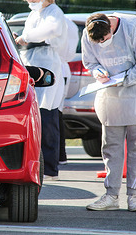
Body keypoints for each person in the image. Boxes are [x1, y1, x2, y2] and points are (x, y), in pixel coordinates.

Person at [82, 12, 136, 212]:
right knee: (111, 147)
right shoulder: (88, 32)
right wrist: (97, 71)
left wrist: (124, 80)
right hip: (110, 94)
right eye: (98, 42)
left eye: (105, 39)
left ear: (110, 27)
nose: (102, 44)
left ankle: (134, 196)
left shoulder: (133, 27)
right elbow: (90, 62)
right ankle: (111, 195)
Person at [15, 0, 67, 181]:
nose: (31, 4)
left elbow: (50, 31)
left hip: (47, 63)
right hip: (31, 61)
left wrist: (25, 37)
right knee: (34, 115)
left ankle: (51, 168)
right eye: (28, 1)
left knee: (47, 115)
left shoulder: (54, 12)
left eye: (34, 0)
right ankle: (35, 163)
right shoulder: (34, 14)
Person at [58, 18, 79, 165]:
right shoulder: (67, 23)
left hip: (58, 69)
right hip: (60, 69)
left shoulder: (58, 23)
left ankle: (59, 155)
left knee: (54, 115)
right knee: (56, 114)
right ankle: (60, 155)